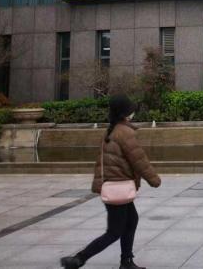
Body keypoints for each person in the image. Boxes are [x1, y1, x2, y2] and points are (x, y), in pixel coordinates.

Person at [61, 94, 162, 269]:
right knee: (114, 232)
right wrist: (154, 180)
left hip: (113, 184)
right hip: (119, 186)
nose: (132, 113)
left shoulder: (111, 130)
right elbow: (139, 160)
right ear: (125, 113)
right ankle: (78, 259)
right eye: (130, 110)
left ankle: (126, 261)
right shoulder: (125, 133)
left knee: (131, 221)